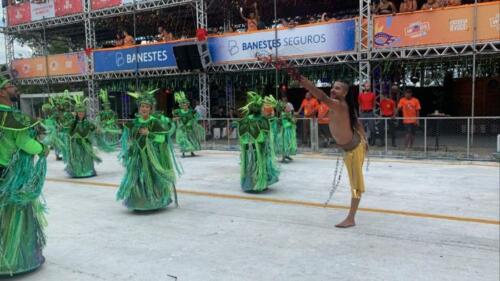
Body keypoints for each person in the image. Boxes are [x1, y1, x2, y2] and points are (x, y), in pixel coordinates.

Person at [295, 75, 367, 228]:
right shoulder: (338, 106)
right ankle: (351, 216)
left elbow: (322, 96)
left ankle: (351, 218)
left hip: (354, 150)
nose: (333, 90)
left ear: (345, 93)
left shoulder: (338, 105)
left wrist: (308, 84)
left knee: (356, 186)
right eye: (333, 87)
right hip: (350, 149)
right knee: (355, 183)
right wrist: (365, 139)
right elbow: (357, 122)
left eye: (338, 88)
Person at [0, 76, 49, 275]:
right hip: (11, 173)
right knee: (14, 212)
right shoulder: (12, 118)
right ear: (2, 92)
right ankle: (15, 258)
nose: (15, 88)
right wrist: (42, 148)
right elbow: (24, 143)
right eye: (11, 86)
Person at [117, 89, 180, 211]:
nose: (144, 109)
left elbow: (162, 138)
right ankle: (139, 201)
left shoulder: (154, 122)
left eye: (147, 107)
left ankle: (155, 200)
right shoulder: (135, 122)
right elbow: (131, 138)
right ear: (139, 108)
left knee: (152, 177)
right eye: (142, 106)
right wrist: (129, 149)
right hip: (138, 157)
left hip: (151, 157)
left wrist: (149, 134)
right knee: (138, 178)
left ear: (151, 109)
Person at [236, 92, 279, 192]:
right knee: (260, 165)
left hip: (248, 149)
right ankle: (260, 184)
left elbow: (242, 138)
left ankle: (251, 184)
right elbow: (266, 136)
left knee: (250, 166)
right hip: (259, 148)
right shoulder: (263, 120)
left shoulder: (244, 120)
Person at [63, 95, 101, 178]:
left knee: (86, 157)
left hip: (86, 143)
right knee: (77, 157)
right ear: (76, 113)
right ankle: (78, 172)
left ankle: (88, 171)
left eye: (82, 112)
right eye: (79, 112)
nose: (81, 113)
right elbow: (67, 131)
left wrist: (97, 129)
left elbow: (93, 128)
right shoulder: (72, 122)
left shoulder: (87, 122)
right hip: (75, 144)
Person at [172, 91, 204, 157]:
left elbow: (197, 116)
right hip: (181, 129)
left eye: (186, 104)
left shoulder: (191, 111)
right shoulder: (178, 111)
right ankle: (183, 153)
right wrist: (176, 119)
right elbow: (173, 118)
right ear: (181, 105)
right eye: (183, 105)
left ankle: (192, 152)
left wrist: (193, 122)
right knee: (183, 140)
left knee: (191, 140)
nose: (185, 106)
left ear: (188, 104)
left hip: (189, 129)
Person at [278, 95, 297, 162]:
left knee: (288, 143)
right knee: (284, 144)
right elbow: (284, 123)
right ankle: (283, 157)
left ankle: (287, 155)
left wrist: (293, 120)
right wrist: (291, 122)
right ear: (284, 108)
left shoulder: (288, 114)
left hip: (289, 131)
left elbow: (293, 119)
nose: (289, 108)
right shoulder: (283, 114)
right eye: (288, 107)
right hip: (285, 132)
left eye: (289, 107)